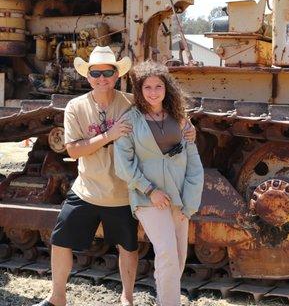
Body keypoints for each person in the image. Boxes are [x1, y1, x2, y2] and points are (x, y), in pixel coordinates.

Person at [35, 47, 196, 306]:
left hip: (123, 191)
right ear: (87, 77)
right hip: (87, 188)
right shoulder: (76, 107)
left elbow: (164, 114)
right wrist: (108, 135)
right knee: (60, 239)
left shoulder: (131, 103)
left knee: (128, 247)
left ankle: (127, 297)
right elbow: (74, 150)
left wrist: (188, 128)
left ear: (116, 74)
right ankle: (57, 297)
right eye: (95, 72)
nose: (101, 77)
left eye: (107, 72)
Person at [114, 61, 204, 306]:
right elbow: (123, 164)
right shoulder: (131, 121)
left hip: (180, 197)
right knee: (166, 253)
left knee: (179, 256)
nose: (153, 92)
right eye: (147, 87)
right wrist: (150, 190)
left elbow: (193, 160)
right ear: (139, 90)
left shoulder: (180, 118)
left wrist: (191, 200)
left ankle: (166, 298)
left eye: (158, 86)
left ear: (167, 88)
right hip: (149, 198)